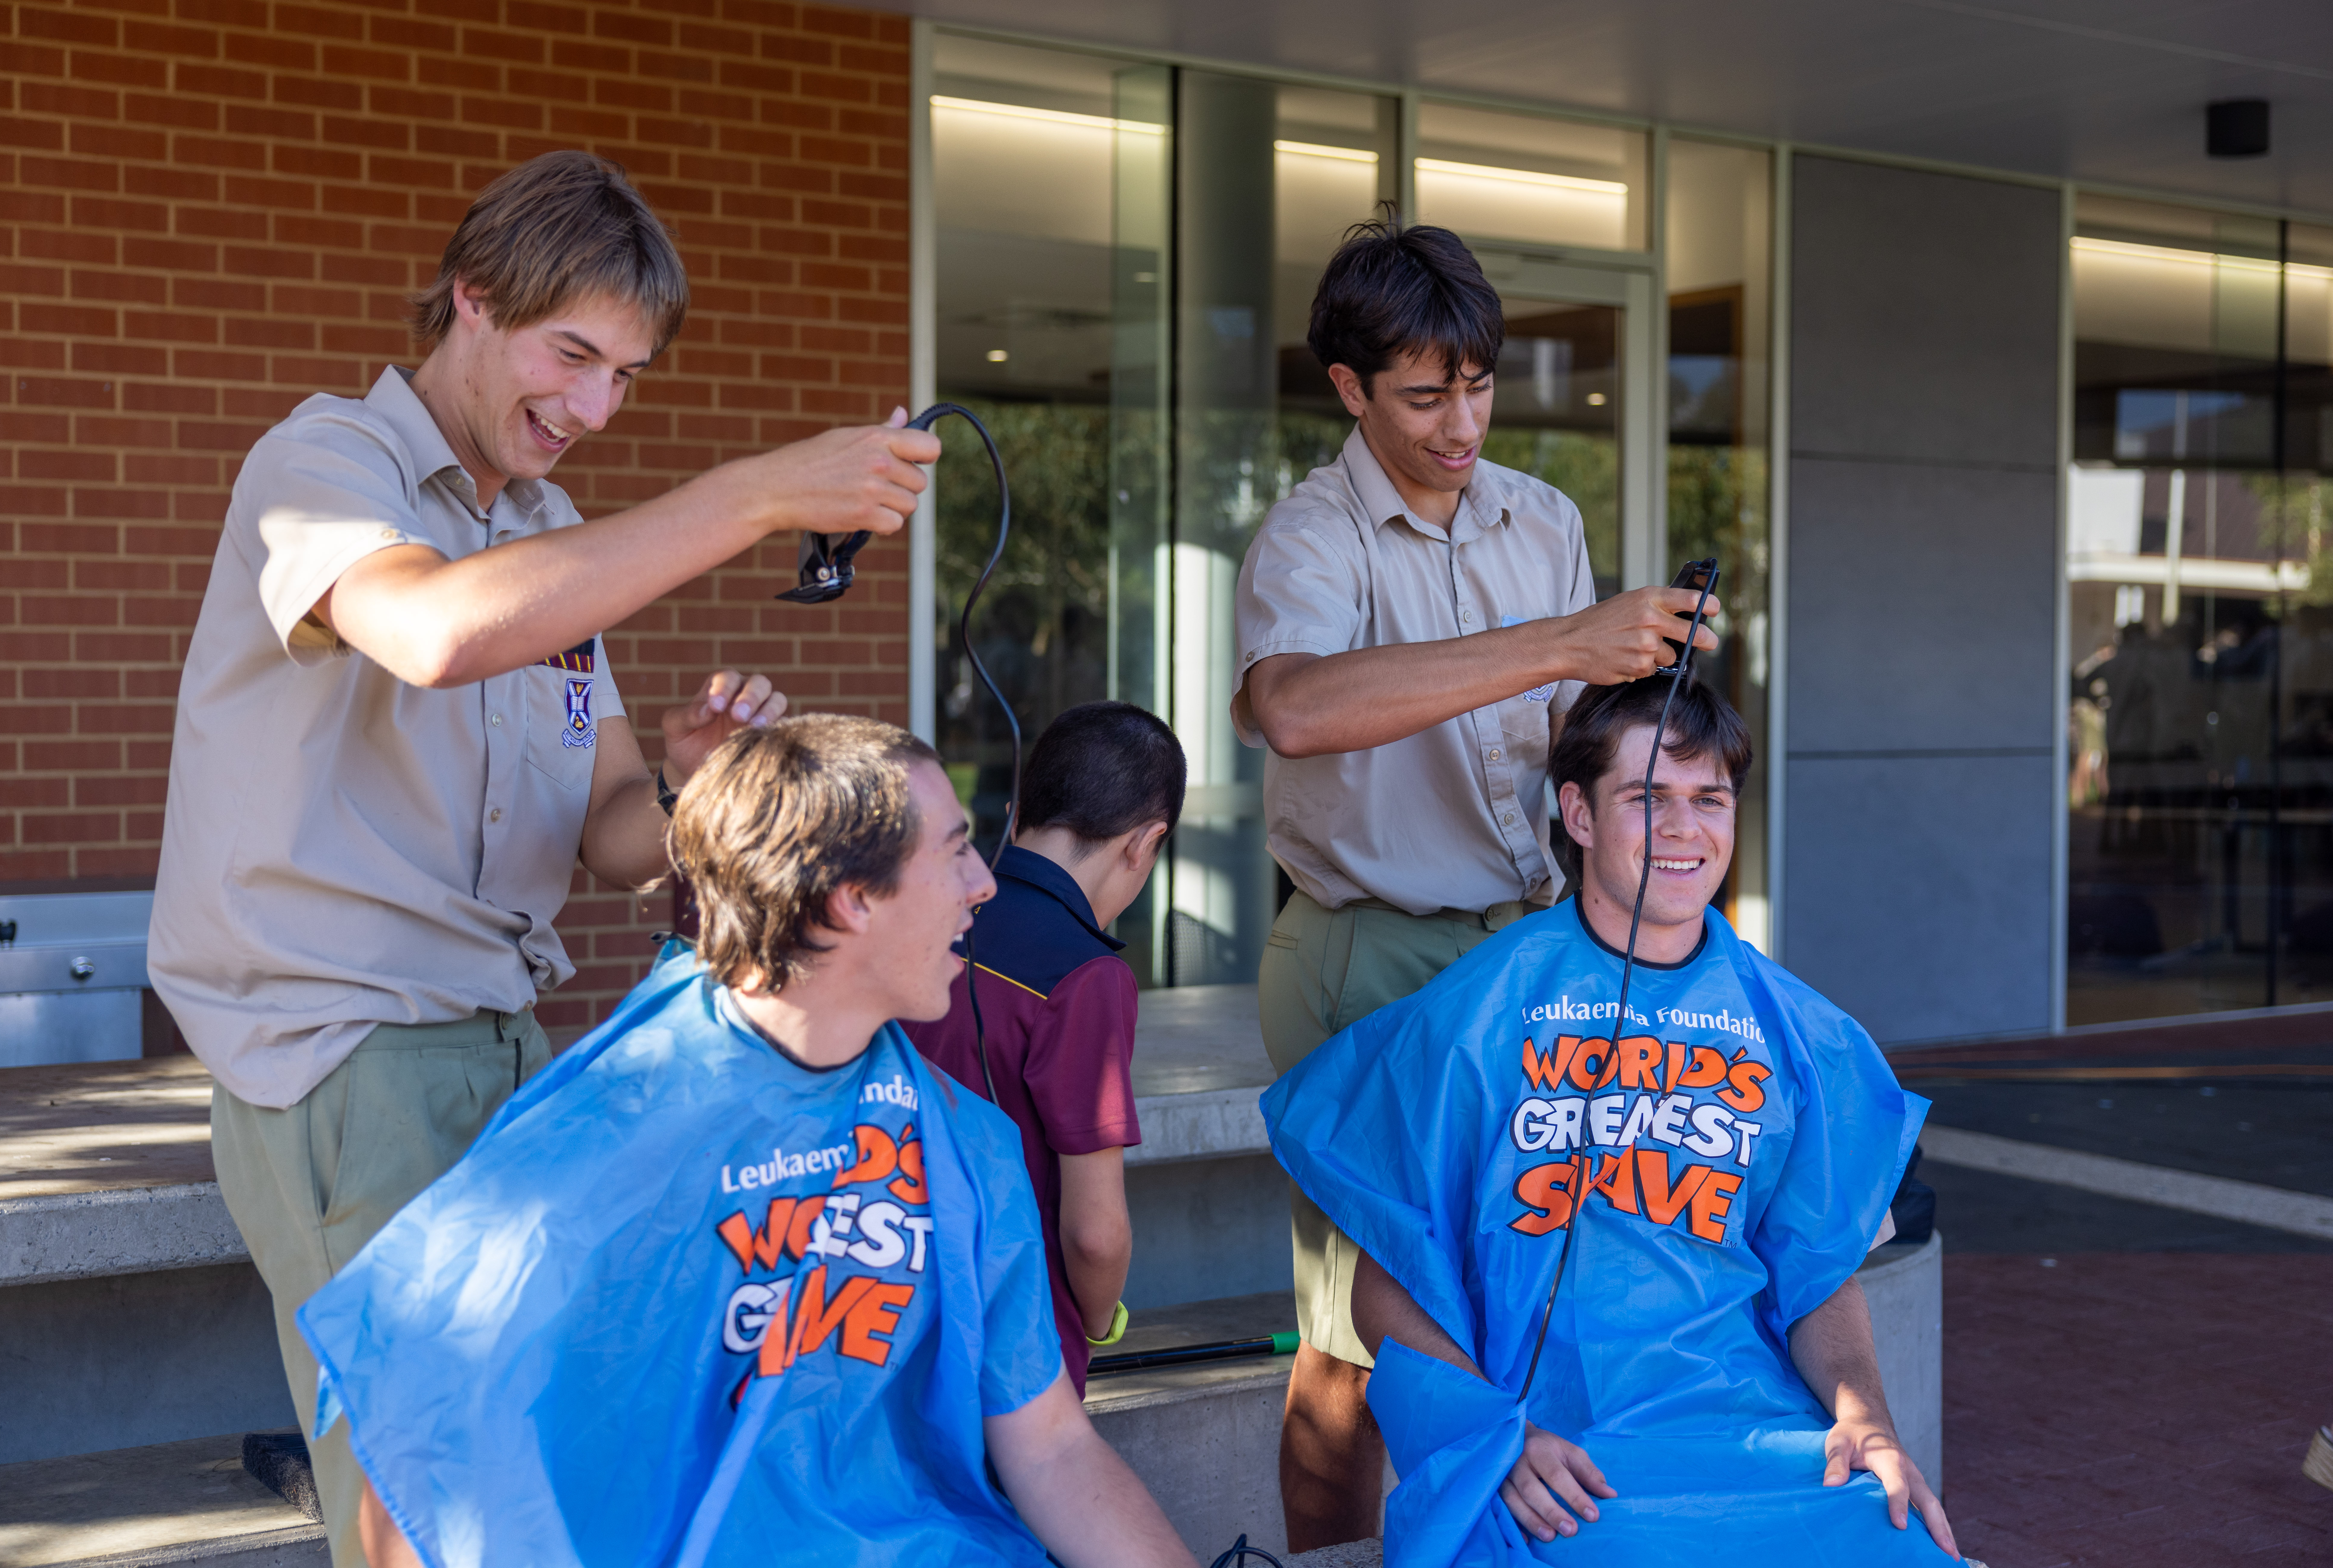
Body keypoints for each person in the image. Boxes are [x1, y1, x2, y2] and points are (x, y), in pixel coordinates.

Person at [145, 150, 941, 1562]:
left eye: (625, 377)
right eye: (570, 355)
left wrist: (689, 769)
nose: (591, 408)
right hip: (349, 1055)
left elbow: (614, 831)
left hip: (515, 1049)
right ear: (470, 300)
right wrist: (753, 493)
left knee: (532, 1494)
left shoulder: (552, 535)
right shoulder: (326, 459)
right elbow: (436, 631)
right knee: (433, 1516)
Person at [305, 715, 1201, 1568]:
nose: (985, 885)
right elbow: (410, 1462)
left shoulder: (969, 1141)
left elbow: (1049, 1447)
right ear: (853, 900)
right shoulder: (600, 1141)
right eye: (954, 850)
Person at [1232, 217, 1723, 1546]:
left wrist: (1649, 674)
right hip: (1369, 956)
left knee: (1533, 1303)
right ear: (1347, 388)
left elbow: (1571, 735)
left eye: (1479, 384)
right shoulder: (1309, 534)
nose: (1461, 422)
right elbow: (1291, 709)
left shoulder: (1540, 517)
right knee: (1357, 1342)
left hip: (1527, 950)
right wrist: (1560, 636)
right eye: (1421, 392)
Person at [1259, 676, 1962, 1567]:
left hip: (1756, 1444)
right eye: (1645, 798)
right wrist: (1489, 1434)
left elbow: (1816, 1276)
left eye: (1708, 799)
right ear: (1578, 817)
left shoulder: (1797, 1031)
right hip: (1559, 1455)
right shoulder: (1472, 1016)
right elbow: (1380, 1282)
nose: (1682, 829)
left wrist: (1865, 1417)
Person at [905, 701, 1188, 1394]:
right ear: (1144, 844)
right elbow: (1095, 1231)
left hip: (886, 1295)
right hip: (1013, 1333)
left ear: (1015, 809)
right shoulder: (1086, 976)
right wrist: (1093, 1323)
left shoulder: (918, 918)